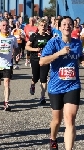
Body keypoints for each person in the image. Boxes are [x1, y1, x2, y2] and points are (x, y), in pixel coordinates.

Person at [39, 16, 84, 150]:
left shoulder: (77, 43)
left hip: (73, 85)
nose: (67, 26)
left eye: (70, 24)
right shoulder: (53, 43)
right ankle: (53, 137)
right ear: (59, 27)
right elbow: (42, 62)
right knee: (57, 121)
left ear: (73, 27)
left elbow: (80, 59)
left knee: (70, 119)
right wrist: (59, 53)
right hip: (56, 86)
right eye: (64, 24)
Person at [0, 19, 19, 111]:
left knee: (7, 83)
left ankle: (6, 103)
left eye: (7, 26)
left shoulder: (12, 38)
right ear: (0, 27)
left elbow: (16, 48)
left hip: (8, 63)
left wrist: (16, 54)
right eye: (3, 26)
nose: (5, 27)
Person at [25, 19, 52, 104]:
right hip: (35, 59)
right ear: (38, 26)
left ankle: (42, 97)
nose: (43, 27)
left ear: (47, 27)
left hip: (45, 59)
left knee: (44, 78)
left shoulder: (49, 37)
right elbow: (27, 47)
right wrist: (35, 49)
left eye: (45, 25)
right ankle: (32, 84)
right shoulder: (34, 36)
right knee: (36, 77)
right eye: (41, 25)